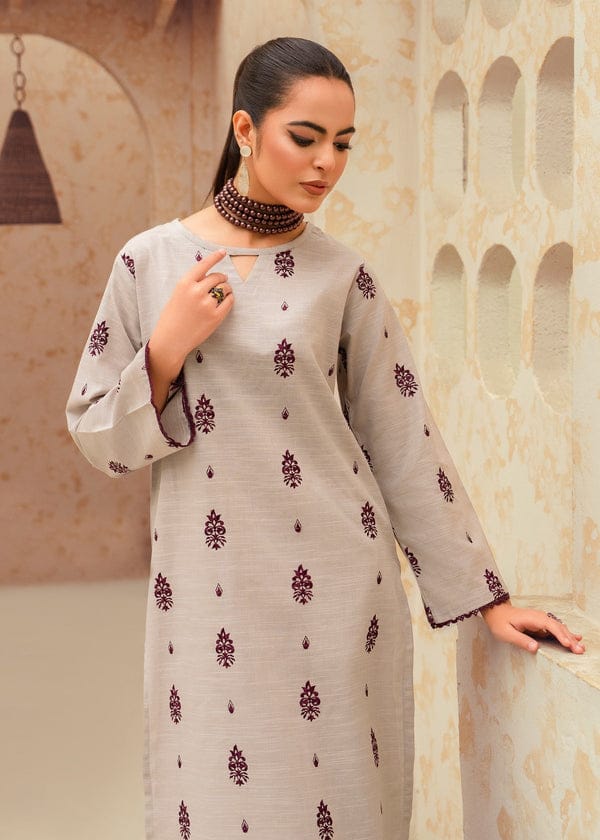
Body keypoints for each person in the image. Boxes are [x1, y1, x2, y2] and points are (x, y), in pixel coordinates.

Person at [66, 36, 584, 840]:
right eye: (305, 138)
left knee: (336, 803)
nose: (326, 164)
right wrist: (165, 349)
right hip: (209, 589)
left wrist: (487, 598)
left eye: (343, 143)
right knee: (213, 795)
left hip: (336, 585)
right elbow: (97, 433)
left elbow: (401, 438)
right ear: (245, 130)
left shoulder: (343, 275)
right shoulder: (149, 263)